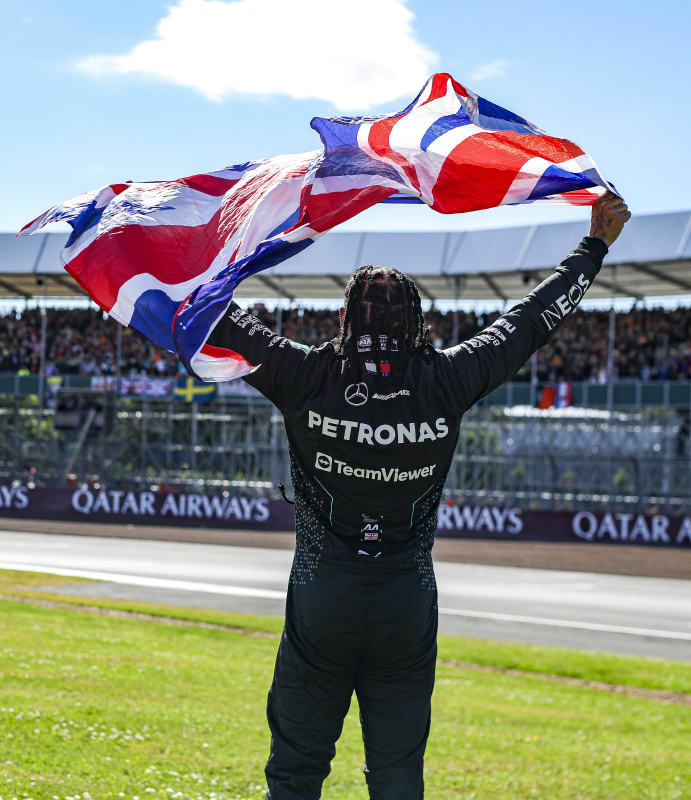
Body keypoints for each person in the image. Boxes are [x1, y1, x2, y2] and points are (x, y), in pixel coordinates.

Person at [205, 193, 630, 799]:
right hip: (407, 597)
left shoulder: (304, 373)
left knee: (296, 770)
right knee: (398, 775)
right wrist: (593, 247)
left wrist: (181, 253)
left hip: (322, 593)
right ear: (415, 319)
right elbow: (530, 322)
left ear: (347, 316)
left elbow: (212, 312)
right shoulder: (448, 377)